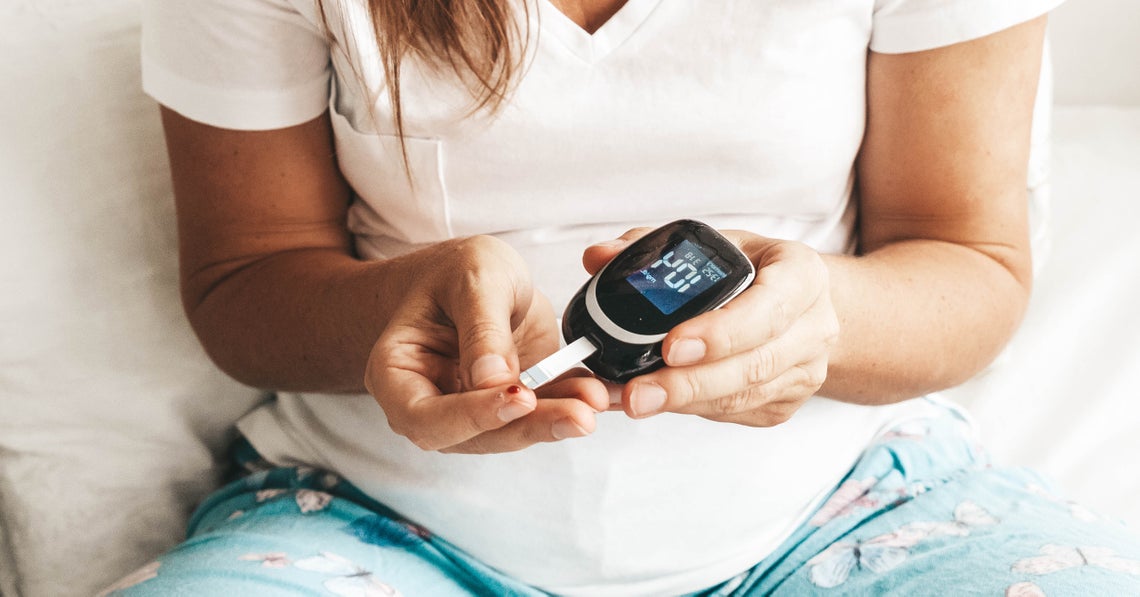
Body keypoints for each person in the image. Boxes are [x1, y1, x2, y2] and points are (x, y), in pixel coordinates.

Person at [103, 0, 1140, 595]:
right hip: (374, 525)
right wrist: (396, 306)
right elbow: (244, 276)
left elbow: (969, 260)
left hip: (848, 511)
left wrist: (820, 322)